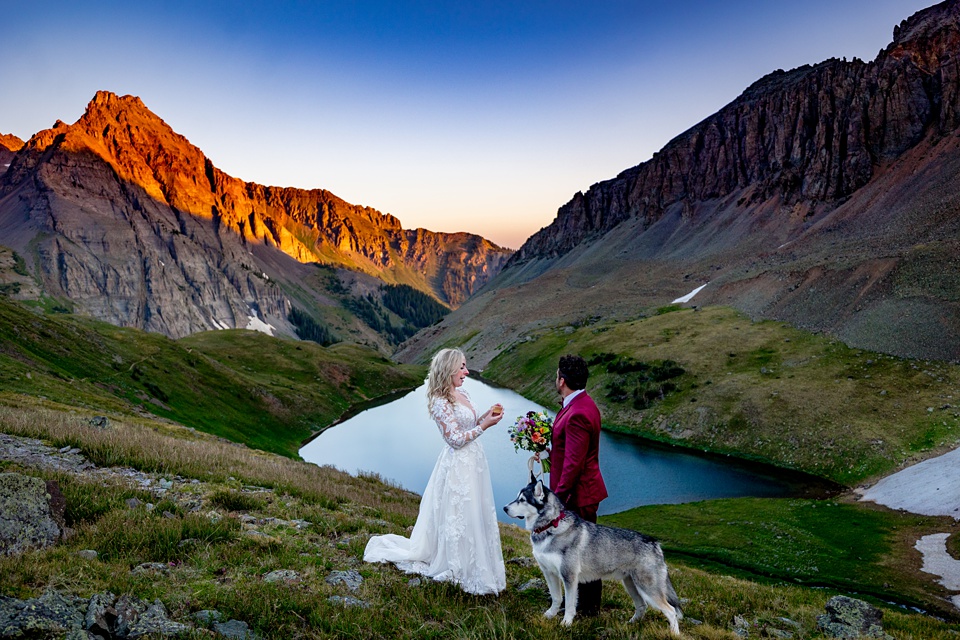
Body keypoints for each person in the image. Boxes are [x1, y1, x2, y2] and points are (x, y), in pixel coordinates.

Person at [363, 348, 506, 595]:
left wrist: (488, 415)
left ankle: (479, 564)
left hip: (475, 461)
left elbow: (470, 424)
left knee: (476, 511)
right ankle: (458, 566)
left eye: (465, 365)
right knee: (460, 513)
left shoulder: (463, 393)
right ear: (448, 369)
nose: (466, 371)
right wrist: (485, 426)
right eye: (461, 366)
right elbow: (455, 440)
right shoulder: (440, 402)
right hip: (458, 464)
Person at [549, 354, 608, 615]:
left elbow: (573, 465)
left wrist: (556, 501)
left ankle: (588, 608)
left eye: (556, 374)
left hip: (579, 496)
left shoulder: (578, 413)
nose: (555, 378)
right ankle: (581, 604)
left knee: (586, 554)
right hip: (579, 492)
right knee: (577, 551)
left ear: (562, 380)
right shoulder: (579, 403)